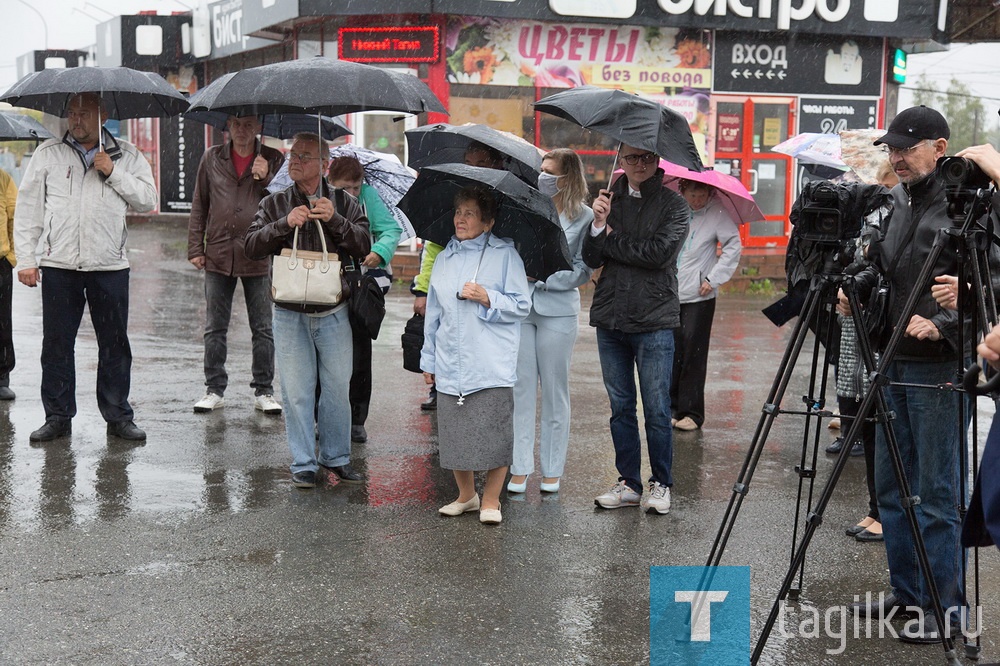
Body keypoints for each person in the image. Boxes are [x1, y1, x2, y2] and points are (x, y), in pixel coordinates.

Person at [842, 106, 970, 643]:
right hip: (887, 359)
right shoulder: (894, 201)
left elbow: (988, 283)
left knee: (936, 495)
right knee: (892, 488)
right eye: (892, 149)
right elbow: (887, 269)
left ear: (939, 148)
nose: (897, 158)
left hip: (939, 370)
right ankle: (910, 593)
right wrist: (859, 286)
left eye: (907, 148)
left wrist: (946, 321)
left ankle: (947, 611)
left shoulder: (968, 206)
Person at [14, 93, 157, 442]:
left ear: (103, 115)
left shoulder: (127, 155)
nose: (76, 120)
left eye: (84, 114)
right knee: (57, 345)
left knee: (114, 345)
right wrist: (27, 259)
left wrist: (113, 172)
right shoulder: (49, 154)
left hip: (109, 266)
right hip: (59, 266)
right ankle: (58, 417)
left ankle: (118, 417)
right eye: (72, 114)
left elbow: (148, 200)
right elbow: (29, 208)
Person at [244, 134, 370, 489]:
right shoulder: (276, 201)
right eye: (292, 154)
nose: (294, 160)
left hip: (333, 308)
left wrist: (336, 222)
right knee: (297, 391)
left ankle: (337, 458)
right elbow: (251, 246)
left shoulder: (344, 201)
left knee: (336, 389)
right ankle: (303, 462)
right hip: (288, 311)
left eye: (304, 155)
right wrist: (284, 224)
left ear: (324, 164)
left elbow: (364, 244)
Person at [584, 144, 689, 514]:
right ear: (622, 161)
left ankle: (662, 483)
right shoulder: (608, 200)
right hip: (611, 316)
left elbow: (659, 254)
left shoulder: (675, 205)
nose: (639, 164)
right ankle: (629, 482)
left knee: (658, 408)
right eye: (631, 157)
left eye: (646, 157)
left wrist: (611, 240)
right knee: (620, 407)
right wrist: (598, 225)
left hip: (654, 319)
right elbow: (590, 259)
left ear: (658, 160)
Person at [422, 186, 529, 525]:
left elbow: (522, 305)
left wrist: (488, 297)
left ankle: (491, 500)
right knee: (455, 435)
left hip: (490, 361)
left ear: (488, 222)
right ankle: (466, 496)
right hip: (450, 359)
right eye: (458, 212)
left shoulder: (505, 256)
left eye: (469, 213)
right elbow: (433, 315)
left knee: (495, 433)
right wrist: (429, 359)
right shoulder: (444, 258)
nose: (461, 218)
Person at [508, 149, 593, 495]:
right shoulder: (529, 206)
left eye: (550, 171)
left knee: (555, 393)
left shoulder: (585, 217)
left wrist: (542, 279)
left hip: (558, 309)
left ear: (567, 177)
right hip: (522, 309)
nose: (542, 176)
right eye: (541, 170)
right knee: (521, 389)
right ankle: (519, 467)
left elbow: (583, 269)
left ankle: (552, 468)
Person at [187, 115, 285, 416]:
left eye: (249, 123)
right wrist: (195, 247)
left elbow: (284, 203)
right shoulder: (211, 157)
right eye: (236, 123)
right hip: (217, 253)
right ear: (228, 126)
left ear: (258, 127)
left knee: (263, 326)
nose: (242, 129)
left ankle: (264, 390)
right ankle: (214, 389)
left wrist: (266, 178)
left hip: (257, 252)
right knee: (215, 326)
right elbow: (200, 203)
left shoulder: (272, 157)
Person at [411, 141, 505, 412]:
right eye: (469, 162)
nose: (473, 169)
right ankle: (440, 389)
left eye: (481, 163)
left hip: (488, 297)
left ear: (496, 165)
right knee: (446, 333)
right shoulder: (452, 196)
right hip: (452, 286)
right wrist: (422, 289)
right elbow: (433, 249)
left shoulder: (504, 202)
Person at [327, 156, 402, 444]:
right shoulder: (321, 197)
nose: (353, 194)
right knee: (327, 354)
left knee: (360, 354)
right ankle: (326, 417)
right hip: (326, 283)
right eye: (346, 188)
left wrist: (379, 251)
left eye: (357, 187)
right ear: (331, 181)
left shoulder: (369, 197)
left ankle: (357, 419)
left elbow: (391, 229)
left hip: (359, 284)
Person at [670, 180, 742, 431]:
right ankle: (671, 407)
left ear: (709, 193)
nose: (697, 200)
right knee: (671, 351)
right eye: (693, 194)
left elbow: (733, 246)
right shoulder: (675, 209)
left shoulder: (717, 213)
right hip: (670, 291)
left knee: (693, 353)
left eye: (702, 195)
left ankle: (692, 412)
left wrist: (714, 278)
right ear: (682, 191)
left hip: (700, 293)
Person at [0, 167, 16, 401]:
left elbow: (15, 216)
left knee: (1, 321)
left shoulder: (2, 178)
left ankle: (1, 376)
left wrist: (11, 256)